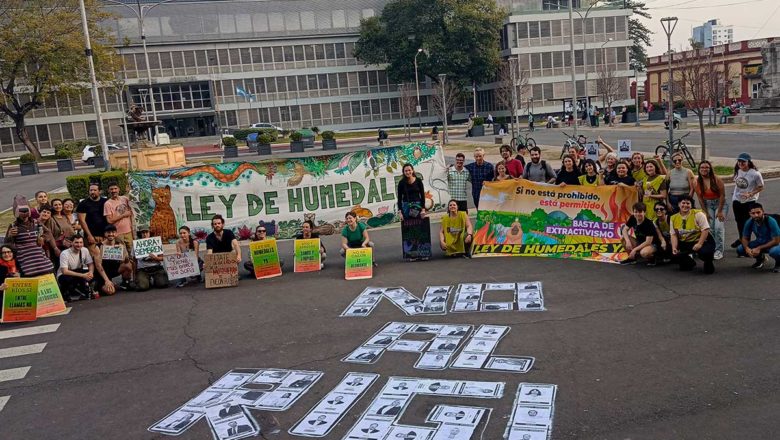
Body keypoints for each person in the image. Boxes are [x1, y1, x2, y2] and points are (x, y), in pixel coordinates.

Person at [4, 197, 54, 277]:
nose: (24, 215)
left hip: (40, 258)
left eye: (26, 211)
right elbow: (6, 245)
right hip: (25, 261)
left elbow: (48, 233)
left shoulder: (36, 222)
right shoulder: (13, 226)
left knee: (48, 274)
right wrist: (10, 236)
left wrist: (42, 238)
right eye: (21, 212)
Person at [670, 195, 715, 274]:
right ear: (679, 204)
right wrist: (674, 247)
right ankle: (690, 262)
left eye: (688, 203)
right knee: (675, 256)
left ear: (691, 205)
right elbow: (673, 234)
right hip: (686, 242)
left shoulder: (698, 214)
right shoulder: (673, 218)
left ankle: (708, 263)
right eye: (683, 203)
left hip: (702, 240)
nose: (685, 205)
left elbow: (705, 229)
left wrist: (699, 244)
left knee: (706, 254)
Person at [730, 153, 764, 250]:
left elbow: (761, 187)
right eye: (739, 161)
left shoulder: (755, 174)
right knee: (739, 221)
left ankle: (754, 241)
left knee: (749, 222)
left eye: (743, 161)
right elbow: (737, 184)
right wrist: (735, 194)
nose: (741, 163)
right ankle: (741, 239)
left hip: (749, 201)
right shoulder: (738, 170)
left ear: (748, 162)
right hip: (737, 200)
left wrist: (750, 193)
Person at [695, 160, 727, 260]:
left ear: (710, 169)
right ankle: (713, 248)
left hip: (720, 204)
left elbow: (722, 195)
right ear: (699, 170)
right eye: (702, 168)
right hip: (707, 205)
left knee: (718, 227)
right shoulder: (697, 182)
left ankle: (719, 250)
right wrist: (705, 212)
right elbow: (700, 199)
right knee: (711, 228)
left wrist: (720, 211)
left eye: (706, 167)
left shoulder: (717, 180)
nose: (704, 169)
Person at [736, 203, 780, 272]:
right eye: (753, 213)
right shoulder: (749, 222)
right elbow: (745, 238)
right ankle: (760, 259)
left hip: (774, 244)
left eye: (758, 212)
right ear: (750, 214)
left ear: (763, 211)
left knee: (775, 251)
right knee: (741, 249)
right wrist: (747, 248)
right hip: (760, 242)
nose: (756, 215)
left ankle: (779, 263)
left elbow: (776, 241)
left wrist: (759, 248)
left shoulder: (771, 221)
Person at [58, 235, 96, 301]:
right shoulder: (64, 253)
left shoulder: (85, 250)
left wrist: (90, 273)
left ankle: (85, 290)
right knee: (67, 280)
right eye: (76, 242)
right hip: (64, 274)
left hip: (78, 271)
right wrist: (83, 275)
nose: (79, 245)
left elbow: (90, 264)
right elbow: (65, 271)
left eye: (81, 242)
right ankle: (66, 292)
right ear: (71, 243)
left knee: (92, 276)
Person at [77, 183, 108, 260]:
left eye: (95, 190)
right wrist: (89, 235)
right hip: (91, 237)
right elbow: (82, 221)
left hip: (105, 236)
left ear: (100, 191)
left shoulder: (106, 202)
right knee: (96, 259)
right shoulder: (83, 203)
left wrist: (108, 234)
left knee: (106, 258)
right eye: (91, 190)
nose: (92, 192)